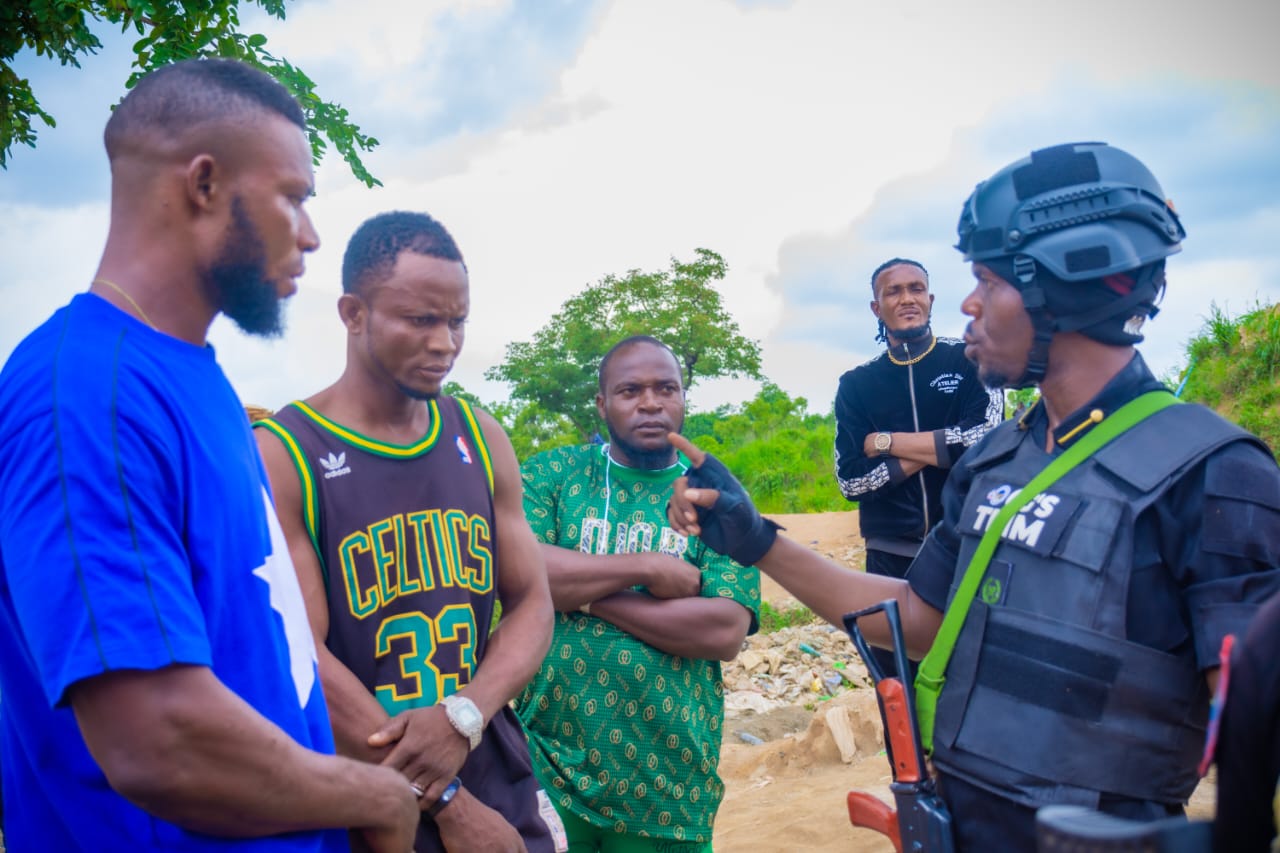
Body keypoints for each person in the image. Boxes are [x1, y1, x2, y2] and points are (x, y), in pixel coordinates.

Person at [667, 142, 1280, 852]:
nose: (967, 303)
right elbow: (917, 618)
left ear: (1063, 285)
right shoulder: (998, 458)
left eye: (988, 279)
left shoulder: (1214, 473)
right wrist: (758, 540)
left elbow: (1251, 714)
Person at [0, 59, 418, 850]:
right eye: (293, 196)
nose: (311, 233)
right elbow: (159, 738)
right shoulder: (85, 394)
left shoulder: (196, 378)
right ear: (202, 184)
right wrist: (375, 796)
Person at [254, 210, 561, 853]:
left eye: (457, 321)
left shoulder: (479, 435)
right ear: (353, 313)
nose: (445, 343)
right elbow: (302, 656)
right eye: (421, 320)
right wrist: (447, 803)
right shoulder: (286, 454)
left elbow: (532, 601)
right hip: (370, 794)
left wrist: (466, 714)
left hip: (489, 762)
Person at [516, 335, 761, 852]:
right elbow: (522, 568)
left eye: (665, 388)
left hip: (668, 781)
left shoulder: (715, 498)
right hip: (548, 765)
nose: (651, 403)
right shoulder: (553, 474)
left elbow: (725, 629)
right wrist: (648, 568)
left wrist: (583, 596)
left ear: (683, 398)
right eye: (630, 390)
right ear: (603, 404)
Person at [834, 257, 1003, 675]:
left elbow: (986, 439)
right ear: (877, 308)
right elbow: (851, 481)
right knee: (896, 689)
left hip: (965, 546)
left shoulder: (967, 360)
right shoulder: (857, 385)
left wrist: (887, 443)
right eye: (894, 291)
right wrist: (941, 445)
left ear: (930, 299)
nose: (907, 298)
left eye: (915, 288)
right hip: (890, 559)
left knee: (972, 679)